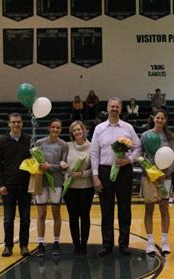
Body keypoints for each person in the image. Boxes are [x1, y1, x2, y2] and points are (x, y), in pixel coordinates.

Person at [90, 97, 140, 256]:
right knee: (106, 209)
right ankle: (107, 244)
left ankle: (124, 244)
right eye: (112, 106)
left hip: (124, 171)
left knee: (125, 208)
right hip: (104, 171)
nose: (114, 109)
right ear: (107, 108)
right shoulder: (99, 128)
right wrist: (95, 176)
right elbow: (94, 153)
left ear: (121, 109)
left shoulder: (128, 127)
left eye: (117, 106)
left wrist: (129, 160)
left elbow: (138, 148)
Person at [138, 109, 174, 255]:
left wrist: (165, 173)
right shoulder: (145, 136)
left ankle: (164, 241)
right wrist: (149, 171)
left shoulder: (170, 137)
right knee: (149, 209)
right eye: (158, 118)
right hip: (148, 177)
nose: (160, 120)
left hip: (165, 178)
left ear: (165, 120)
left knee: (164, 209)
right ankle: (150, 242)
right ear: (154, 119)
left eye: (162, 118)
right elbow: (140, 156)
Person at [0, 113, 32, 257]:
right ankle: (8, 246)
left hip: (25, 185)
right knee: (8, 219)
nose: (16, 124)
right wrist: (0, 184)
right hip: (8, 186)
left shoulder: (28, 140)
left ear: (22, 123)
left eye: (19, 122)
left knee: (25, 218)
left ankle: (24, 246)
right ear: (8, 124)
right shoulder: (1, 141)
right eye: (13, 122)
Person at [35, 119, 69, 257]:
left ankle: (56, 242)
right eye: (53, 127)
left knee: (56, 214)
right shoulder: (39, 143)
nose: (55, 129)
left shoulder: (64, 145)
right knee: (41, 214)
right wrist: (39, 166)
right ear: (49, 128)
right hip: (41, 182)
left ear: (60, 130)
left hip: (56, 182)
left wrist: (50, 167)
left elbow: (63, 165)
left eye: (58, 128)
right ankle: (40, 243)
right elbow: (34, 162)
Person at [63, 121, 95, 255]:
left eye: (79, 129)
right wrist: (62, 163)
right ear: (72, 133)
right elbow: (61, 161)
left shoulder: (92, 146)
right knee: (73, 217)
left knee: (85, 216)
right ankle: (76, 244)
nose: (77, 132)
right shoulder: (67, 146)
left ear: (83, 130)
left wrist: (82, 174)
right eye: (74, 130)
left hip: (86, 187)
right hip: (70, 188)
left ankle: (84, 245)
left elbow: (94, 168)